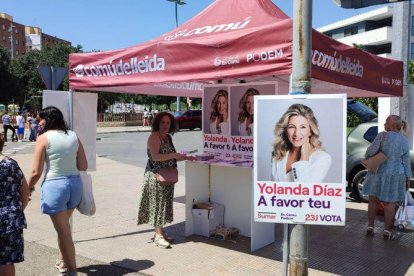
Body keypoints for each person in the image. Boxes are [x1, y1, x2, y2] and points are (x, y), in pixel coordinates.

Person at [27, 106, 88, 276]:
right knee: (64, 229)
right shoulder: (73, 135)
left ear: (48, 120)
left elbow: (35, 172)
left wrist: (28, 188)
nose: (38, 123)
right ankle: (62, 261)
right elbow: (83, 165)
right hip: (75, 185)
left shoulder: (43, 138)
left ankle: (72, 271)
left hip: (55, 186)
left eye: (40, 119)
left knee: (64, 232)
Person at [137, 112, 195, 249]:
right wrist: (173, 155)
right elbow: (156, 157)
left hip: (167, 176)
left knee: (164, 205)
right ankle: (158, 236)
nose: (165, 125)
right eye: (163, 122)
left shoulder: (168, 137)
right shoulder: (154, 137)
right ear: (157, 123)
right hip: (156, 177)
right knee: (158, 205)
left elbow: (171, 157)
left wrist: (185, 157)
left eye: (168, 123)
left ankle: (161, 232)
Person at [363, 115, 412, 240]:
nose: (384, 124)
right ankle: (386, 231)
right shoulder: (404, 140)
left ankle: (370, 227)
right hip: (396, 174)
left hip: (378, 172)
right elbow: (406, 161)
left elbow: (370, 152)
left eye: (386, 122)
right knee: (390, 202)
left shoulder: (381, 136)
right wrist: (407, 178)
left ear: (393, 126)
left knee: (373, 200)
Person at [270, 103, 332, 182]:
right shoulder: (278, 154)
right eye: (291, 127)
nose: (296, 133)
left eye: (303, 127)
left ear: (310, 131)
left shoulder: (322, 158)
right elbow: (271, 188)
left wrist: (304, 158)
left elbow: (305, 190)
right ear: (285, 130)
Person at [0, 133, 30, 276]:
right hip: (11, 219)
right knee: (7, 261)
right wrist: (16, 211)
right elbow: (25, 192)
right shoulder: (11, 164)